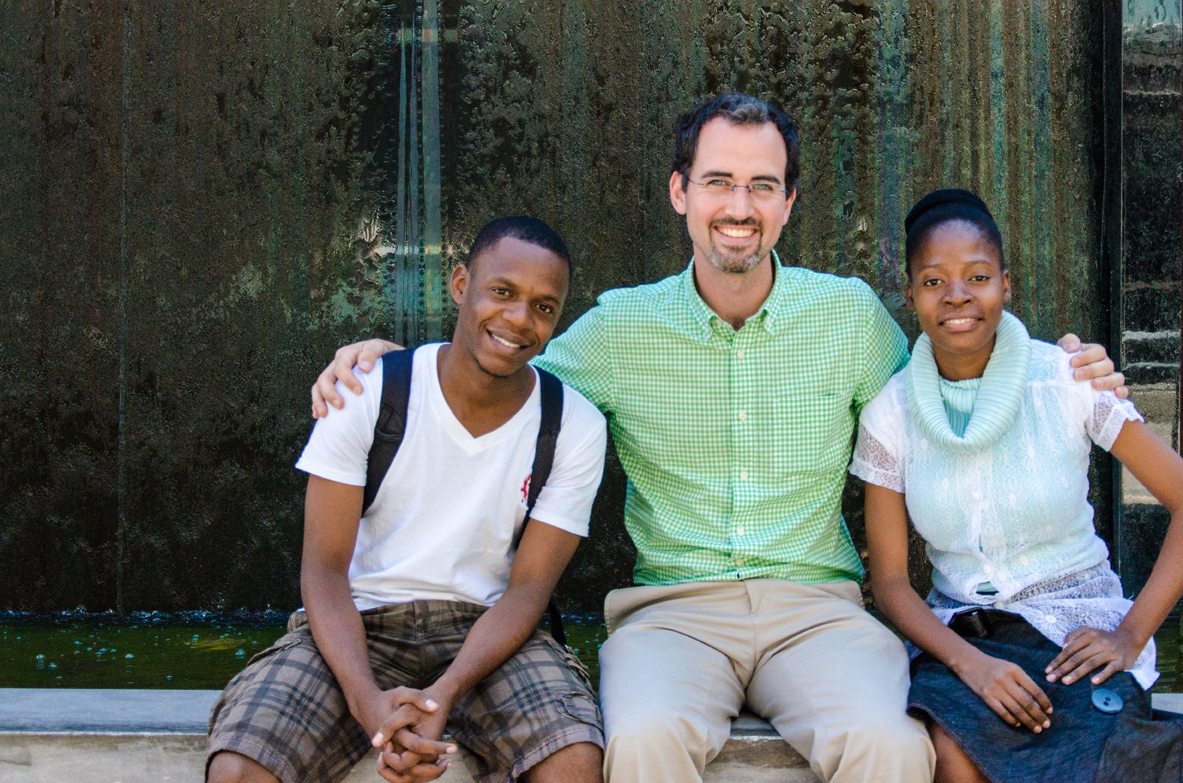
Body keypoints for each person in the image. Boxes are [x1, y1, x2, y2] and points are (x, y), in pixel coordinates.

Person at [311, 95, 1126, 783]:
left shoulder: (846, 318)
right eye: (718, 182)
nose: (738, 206)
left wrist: (1060, 364)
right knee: (638, 741)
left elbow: (952, 373)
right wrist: (388, 357)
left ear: (787, 203)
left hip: (819, 611)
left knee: (890, 745)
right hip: (672, 615)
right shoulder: (620, 328)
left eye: (761, 186)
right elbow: (496, 364)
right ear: (680, 191)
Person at [208, 216, 609, 783]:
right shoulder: (367, 391)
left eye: (544, 307)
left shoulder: (573, 426)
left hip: (490, 637)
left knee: (573, 761)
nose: (520, 319)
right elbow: (323, 570)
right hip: (359, 626)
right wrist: (367, 701)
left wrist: (443, 693)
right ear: (459, 285)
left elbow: (527, 593)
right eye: (502, 292)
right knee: (239, 769)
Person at [852, 189, 1183, 783]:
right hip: (960, 639)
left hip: (1075, 629)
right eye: (933, 281)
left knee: (1095, 758)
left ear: (1007, 284)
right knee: (952, 753)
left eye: (977, 276)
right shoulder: (891, 413)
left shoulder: (1068, 380)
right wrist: (970, 665)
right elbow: (892, 582)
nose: (957, 296)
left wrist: (1131, 633)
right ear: (910, 296)